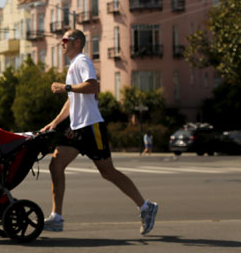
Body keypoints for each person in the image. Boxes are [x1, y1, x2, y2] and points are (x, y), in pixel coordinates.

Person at [41, 30, 158, 235]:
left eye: (65, 40)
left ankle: (146, 207)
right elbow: (72, 100)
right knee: (55, 164)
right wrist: (54, 122)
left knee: (107, 172)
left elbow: (92, 86)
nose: (62, 43)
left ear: (77, 43)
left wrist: (65, 86)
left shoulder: (82, 60)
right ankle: (56, 217)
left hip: (92, 126)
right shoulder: (73, 65)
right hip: (77, 127)